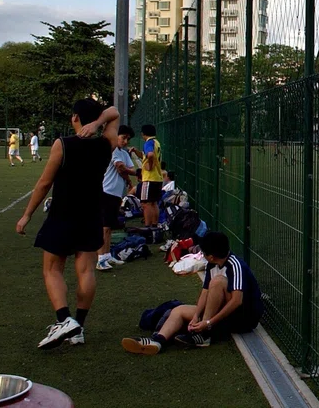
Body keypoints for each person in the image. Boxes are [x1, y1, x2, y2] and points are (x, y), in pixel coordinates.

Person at [15, 99, 120, 349]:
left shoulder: (62, 144)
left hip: (63, 214)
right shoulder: (106, 144)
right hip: (91, 215)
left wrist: (27, 215)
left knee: (52, 270)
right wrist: (98, 123)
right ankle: (78, 328)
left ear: (74, 117)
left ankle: (64, 320)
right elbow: (115, 112)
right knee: (86, 272)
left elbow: (44, 183)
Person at [122, 232, 263, 354]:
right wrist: (196, 316)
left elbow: (237, 301)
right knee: (178, 310)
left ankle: (205, 334)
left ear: (211, 256)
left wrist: (208, 322)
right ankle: (158, 340)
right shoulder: (211, 265)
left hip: (243, 318)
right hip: (222, 315)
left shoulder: (235, 265)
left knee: (218, 282)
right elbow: (205, 292)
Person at [97, 125, 137, 273]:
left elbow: (126, 169)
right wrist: (137, 173)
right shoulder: (113, 150)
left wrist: (129, 180)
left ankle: (107, 255)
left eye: (128, 139)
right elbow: (121, 168)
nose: (125, 141)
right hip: (106, 192)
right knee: (104, 226)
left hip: (116, 194)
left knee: (109, 226)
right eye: (123, 137)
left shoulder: (124, 153)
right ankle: (100, 259)